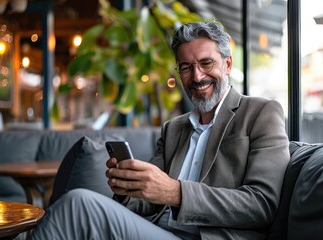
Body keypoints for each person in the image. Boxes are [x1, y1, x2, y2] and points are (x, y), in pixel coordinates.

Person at [29, 20, 290, 240]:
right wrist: (127, 189)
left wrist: (175, 192)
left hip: (206, 236)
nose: (197, 77)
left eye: (206, 63)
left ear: (228, 64)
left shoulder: (260, 112)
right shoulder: (174, 129)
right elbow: (149, 202)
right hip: (158, 230)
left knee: (78, 205)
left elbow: (261, 204)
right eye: (186, 68)